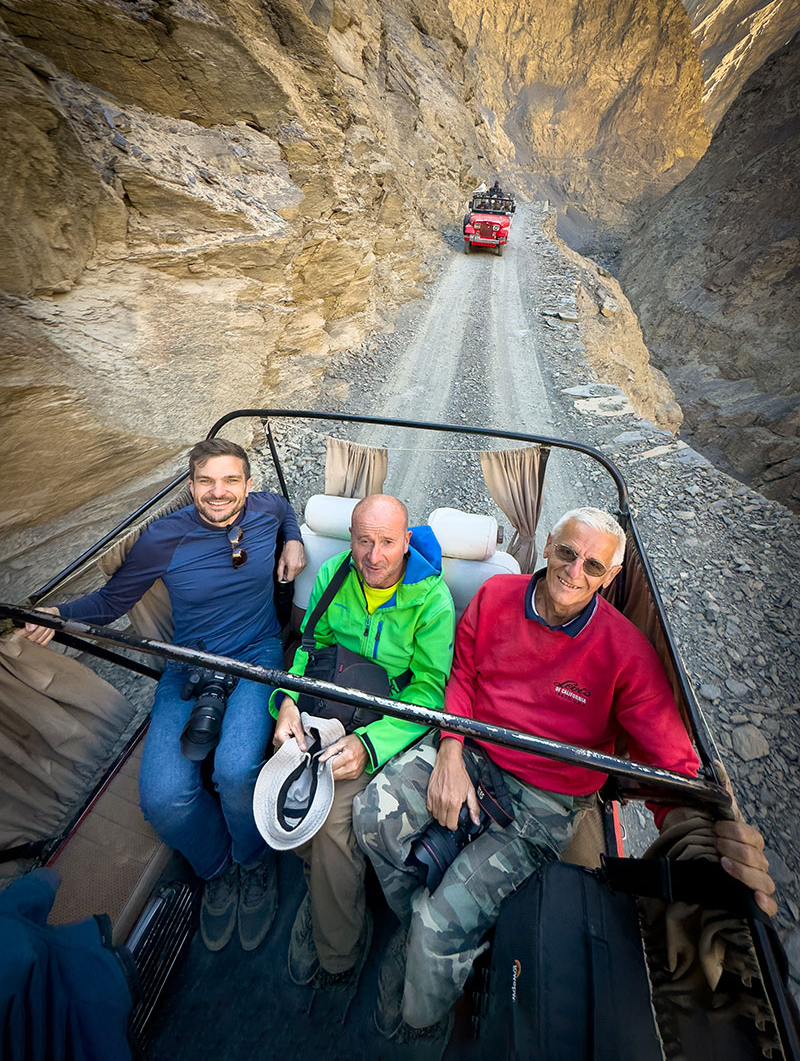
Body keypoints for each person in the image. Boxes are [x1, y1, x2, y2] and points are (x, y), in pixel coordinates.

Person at [354, 506, 777, 1046]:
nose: (575, 573)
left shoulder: (626, 654)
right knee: (371, 817)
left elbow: (675, 769)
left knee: (439, 931)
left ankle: (421, 1022)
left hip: (543, 802)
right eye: (569, 553)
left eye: (594, 567)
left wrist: (711, 836)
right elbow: (462, 672)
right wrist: (452, 749)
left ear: (611, 577)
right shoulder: (494, 596)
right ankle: (409, 920)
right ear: (550, 543)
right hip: (473, 750)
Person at [20, 438, 306, 954]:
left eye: (230, 481)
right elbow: (110, 601)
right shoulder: (163, 537)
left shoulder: (266, 509)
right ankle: (217, 866)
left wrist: (292, 538)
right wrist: (57, 616)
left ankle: (252, 863)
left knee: (237, 770)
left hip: (257, 652)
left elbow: (284, 507)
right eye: (206, 482)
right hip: (189, 663)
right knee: (162, 798)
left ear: (247, 483)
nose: (218, 493)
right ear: (191, 483)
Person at [270, 494, 455, 1017]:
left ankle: (339, 951)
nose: (373, 557)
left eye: (387, 543)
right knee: (282, 788)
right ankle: (325, 893)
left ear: (406, 542)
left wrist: (371, 745)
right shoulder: (334, 573)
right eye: (363, 541)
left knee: (329, 819)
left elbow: (429, 693)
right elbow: (309, 648)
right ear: (350, 540)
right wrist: (285, 702)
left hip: (390, 726)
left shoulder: (432, 601)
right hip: (329, 709)